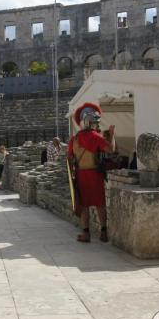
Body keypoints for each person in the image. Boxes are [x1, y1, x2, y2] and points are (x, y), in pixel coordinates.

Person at [68, 102, 116, 243]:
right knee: (100, 204)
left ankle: (86, 234)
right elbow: (111, 150)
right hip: (96, 175)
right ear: (89, 122)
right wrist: (112, 135)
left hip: (81, 176)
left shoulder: (74, 139)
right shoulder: (96, 137)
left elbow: (70, 159)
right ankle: (103, 232)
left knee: (84, 206)